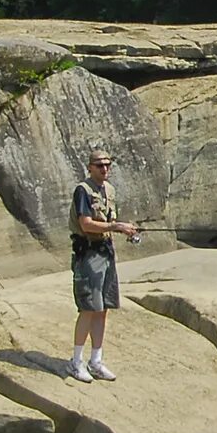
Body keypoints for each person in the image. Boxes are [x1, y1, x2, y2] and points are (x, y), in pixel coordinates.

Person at [69, 149, 140, 381]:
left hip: (106, 252)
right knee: (89, 308)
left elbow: (108, 221)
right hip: (88, 254)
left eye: (108, 165)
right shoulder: (83, 190)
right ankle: (76, 361)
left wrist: (124, 230)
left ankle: (96, 361)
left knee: (103, 309)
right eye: (99, 165)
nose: (105, 169)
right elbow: (86, 224)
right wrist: (116, 227)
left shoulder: (109, 190)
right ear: (90, 167)